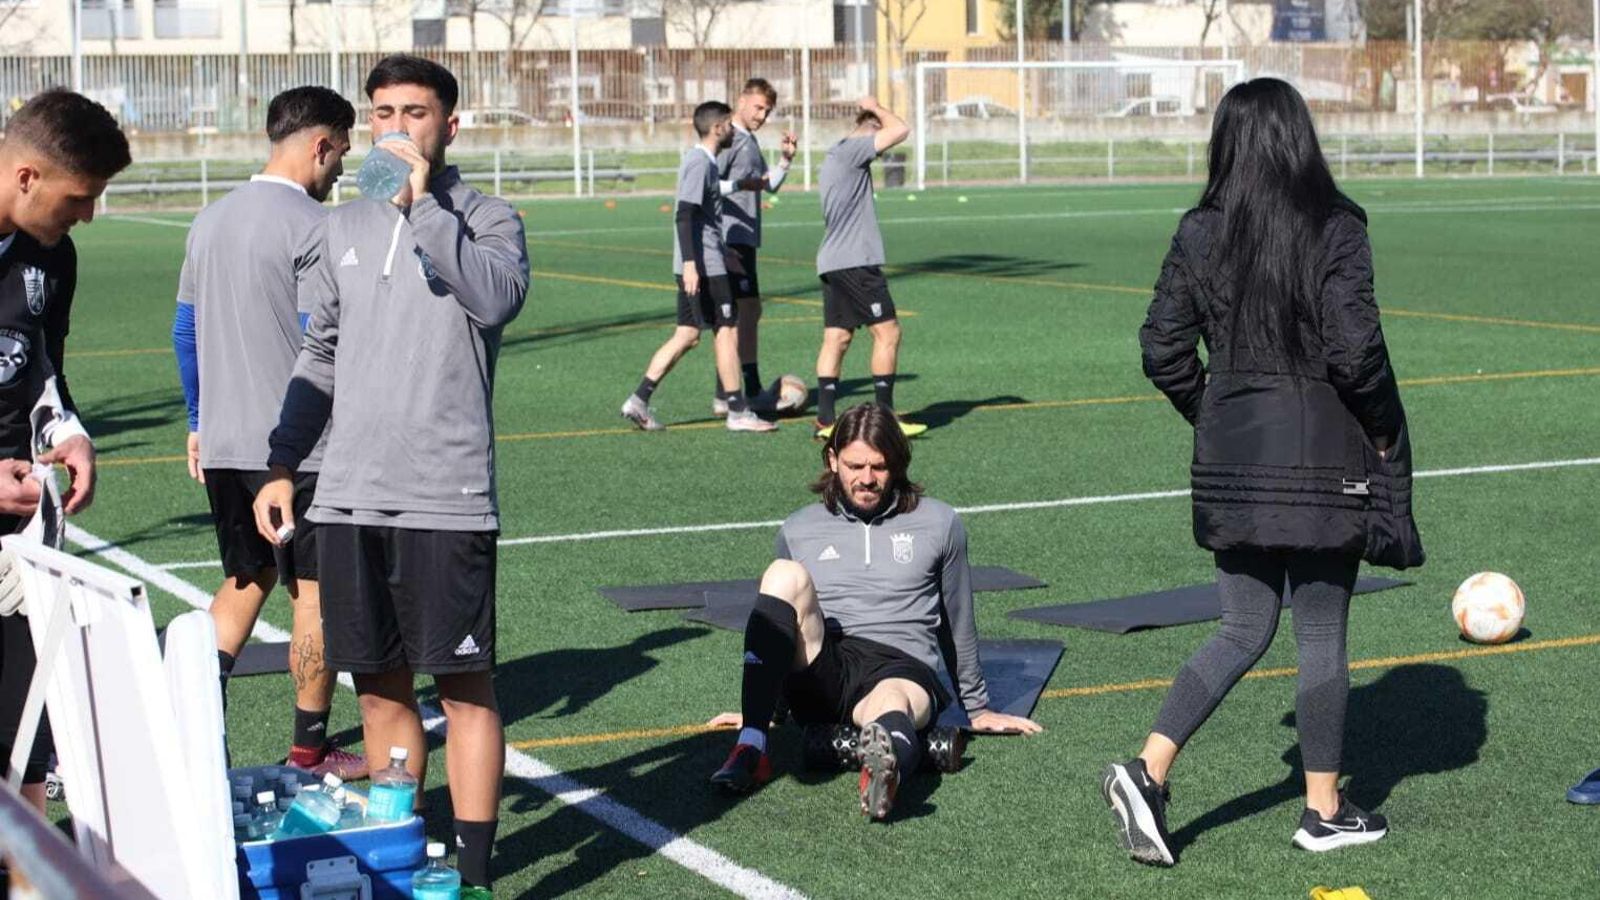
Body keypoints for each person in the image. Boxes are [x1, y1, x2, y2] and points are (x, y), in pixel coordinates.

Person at [1101, 78, 1414, 866]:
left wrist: (1216, 414)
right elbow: (1355, 351)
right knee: (1321, 632)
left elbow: (1163, 349)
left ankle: (1149, 770)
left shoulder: (1200, 229)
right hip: (1321, 463)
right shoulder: (1336, 225)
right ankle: (1323, 811)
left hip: (1232, 462)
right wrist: (1382, 427)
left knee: (1243, 627)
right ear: (1300, 138)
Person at [253, 55, 526, 894]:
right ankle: (400, 858)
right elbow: (320, 354)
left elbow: (496, 300)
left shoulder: (489, 218)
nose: (396, 128)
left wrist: (422, 207)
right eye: (382, 113)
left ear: (450, 125)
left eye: (415, 112)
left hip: (445, 496)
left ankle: (473, 876)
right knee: (376, 690)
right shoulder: (340, 225)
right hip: (347, 497)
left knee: (466, 688)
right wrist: (282, 462)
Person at [708, 403, 1040, 820]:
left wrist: (977, 708)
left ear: (897, 463)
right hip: (828, 664)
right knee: (782, 575)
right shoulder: (798, 528)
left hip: (901, 668)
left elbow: (957, 620)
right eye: (855, 465)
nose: (866, 478)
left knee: (890, 701)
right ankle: (752, 746)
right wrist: (767, 709)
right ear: (833, 460)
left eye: (879, 467)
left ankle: (882, 770)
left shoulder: (940, 522)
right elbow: (782, 627)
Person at [172, 86, 365, 779]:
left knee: (243, 581)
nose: (342, 167)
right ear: (320, 144)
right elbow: (322, 337)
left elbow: (185, 331)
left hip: (226, 443)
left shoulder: (209, 219)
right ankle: (309, 752)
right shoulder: (317, 226)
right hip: (298, 451)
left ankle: (188, 731)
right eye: (342, 152)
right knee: (313, 594)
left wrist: (199, 421)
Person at [0, 89, 129, 810]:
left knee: (24, 733)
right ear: (27, 177)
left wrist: (70, 435)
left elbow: (46, 372)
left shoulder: (53, 258)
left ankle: (20, 866)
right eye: (79, 197)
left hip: (19, 538)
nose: (87, 215)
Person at [621, 101, 777, 434]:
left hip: (708, 260)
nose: (733, 130)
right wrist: (692, 264)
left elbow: (707, 211)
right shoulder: (698, 162)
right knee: (727, 330)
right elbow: (685, 214)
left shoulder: (706, 163)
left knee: (688, 334)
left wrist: (723, 249)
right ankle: (736, 409)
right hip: (704, 266)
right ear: (718, 128)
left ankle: (638, 400)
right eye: (729, 125)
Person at [813, 98, 923, 441]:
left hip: (833, 261)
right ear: (872, 129)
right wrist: (877, 106)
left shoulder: (837, 153)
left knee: (837, 337)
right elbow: (900, 129)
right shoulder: (854, 149)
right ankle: (886, 418)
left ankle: (825, 420)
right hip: (855, 262)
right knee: (888, 333)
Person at [711, 77, 798, 416]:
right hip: (729, 238)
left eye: (767, 111)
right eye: (759, 107)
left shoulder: (749, 139)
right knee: (741, 313)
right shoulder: (730, 138)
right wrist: (740, 185)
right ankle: (746, 390)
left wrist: (785, 160)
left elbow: (767, 185)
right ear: (742, 100)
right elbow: (708, 183)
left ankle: (728, 391)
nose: (762, 115)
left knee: (745, 313)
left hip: (744, 239)